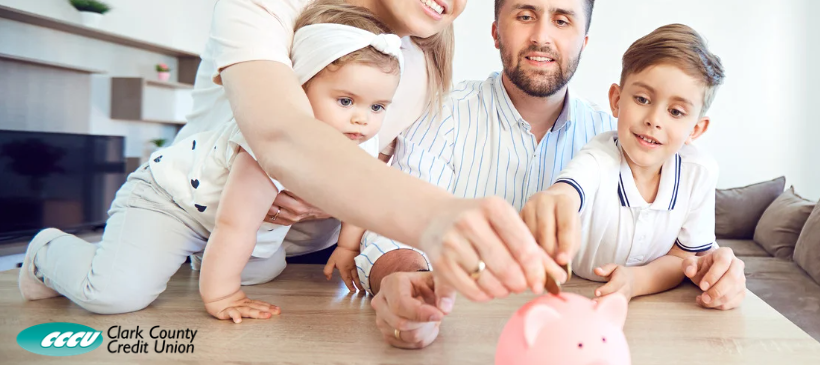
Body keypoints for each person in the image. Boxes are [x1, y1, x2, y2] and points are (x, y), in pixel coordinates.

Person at [18, 1, 407, 321]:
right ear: (298, 89)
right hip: (171, 201)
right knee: (114, 296)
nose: (362, 119)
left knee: (262, 270)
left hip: (226, 220)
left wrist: (347, 247)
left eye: (377, 107)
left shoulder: (359, 141)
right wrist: (222, 296)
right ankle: (46, 250)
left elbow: (363, 197)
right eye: (345, 101)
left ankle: (200, 257)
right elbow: (235, 223)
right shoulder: (269, 141)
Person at [348, 0, 612, 348]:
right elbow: (392, 234)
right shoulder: (443, 114)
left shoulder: (614, 138)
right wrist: (406, 280)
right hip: (460, 340)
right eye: (525, 16)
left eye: (562, 21)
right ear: (495, 33)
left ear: (584, 42)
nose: (541, 36)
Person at [522, 24, 748, 310]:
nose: (654, 119)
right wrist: (552, 199)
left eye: (676, 112)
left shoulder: (698, 172)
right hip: (577, 299)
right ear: (617, 100)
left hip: (651, 308)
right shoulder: (600, 157)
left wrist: (634, 281)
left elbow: (683, 258)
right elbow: (567, 191)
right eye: (642, 99)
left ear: (696, 128)